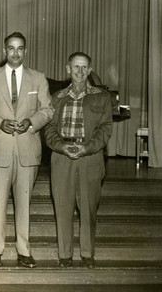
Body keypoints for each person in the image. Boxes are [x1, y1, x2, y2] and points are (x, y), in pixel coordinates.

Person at [0, 32, 53, 269]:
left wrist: (32, 122)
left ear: (25, 51)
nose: (15, 53)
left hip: (28, 149)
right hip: (0, 147)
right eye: (11, 48)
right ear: (4, 51)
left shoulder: (38, 78)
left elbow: (48, 109)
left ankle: (24, 251)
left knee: (24, 203)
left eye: (20, 49)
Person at [44, 52, 112, 269]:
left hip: (90, 157)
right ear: (68, 69)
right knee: (63, 206)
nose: (80, 72)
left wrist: (87, 148)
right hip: (62, 156)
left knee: (88, 207)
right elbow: (49, 128)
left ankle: (87, 253)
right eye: (76, 67)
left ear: (90, 70)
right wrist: (61, 146)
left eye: (84, 68)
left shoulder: (102, 97)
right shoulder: (56, 97)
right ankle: (64, 254)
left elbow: (105, 128)